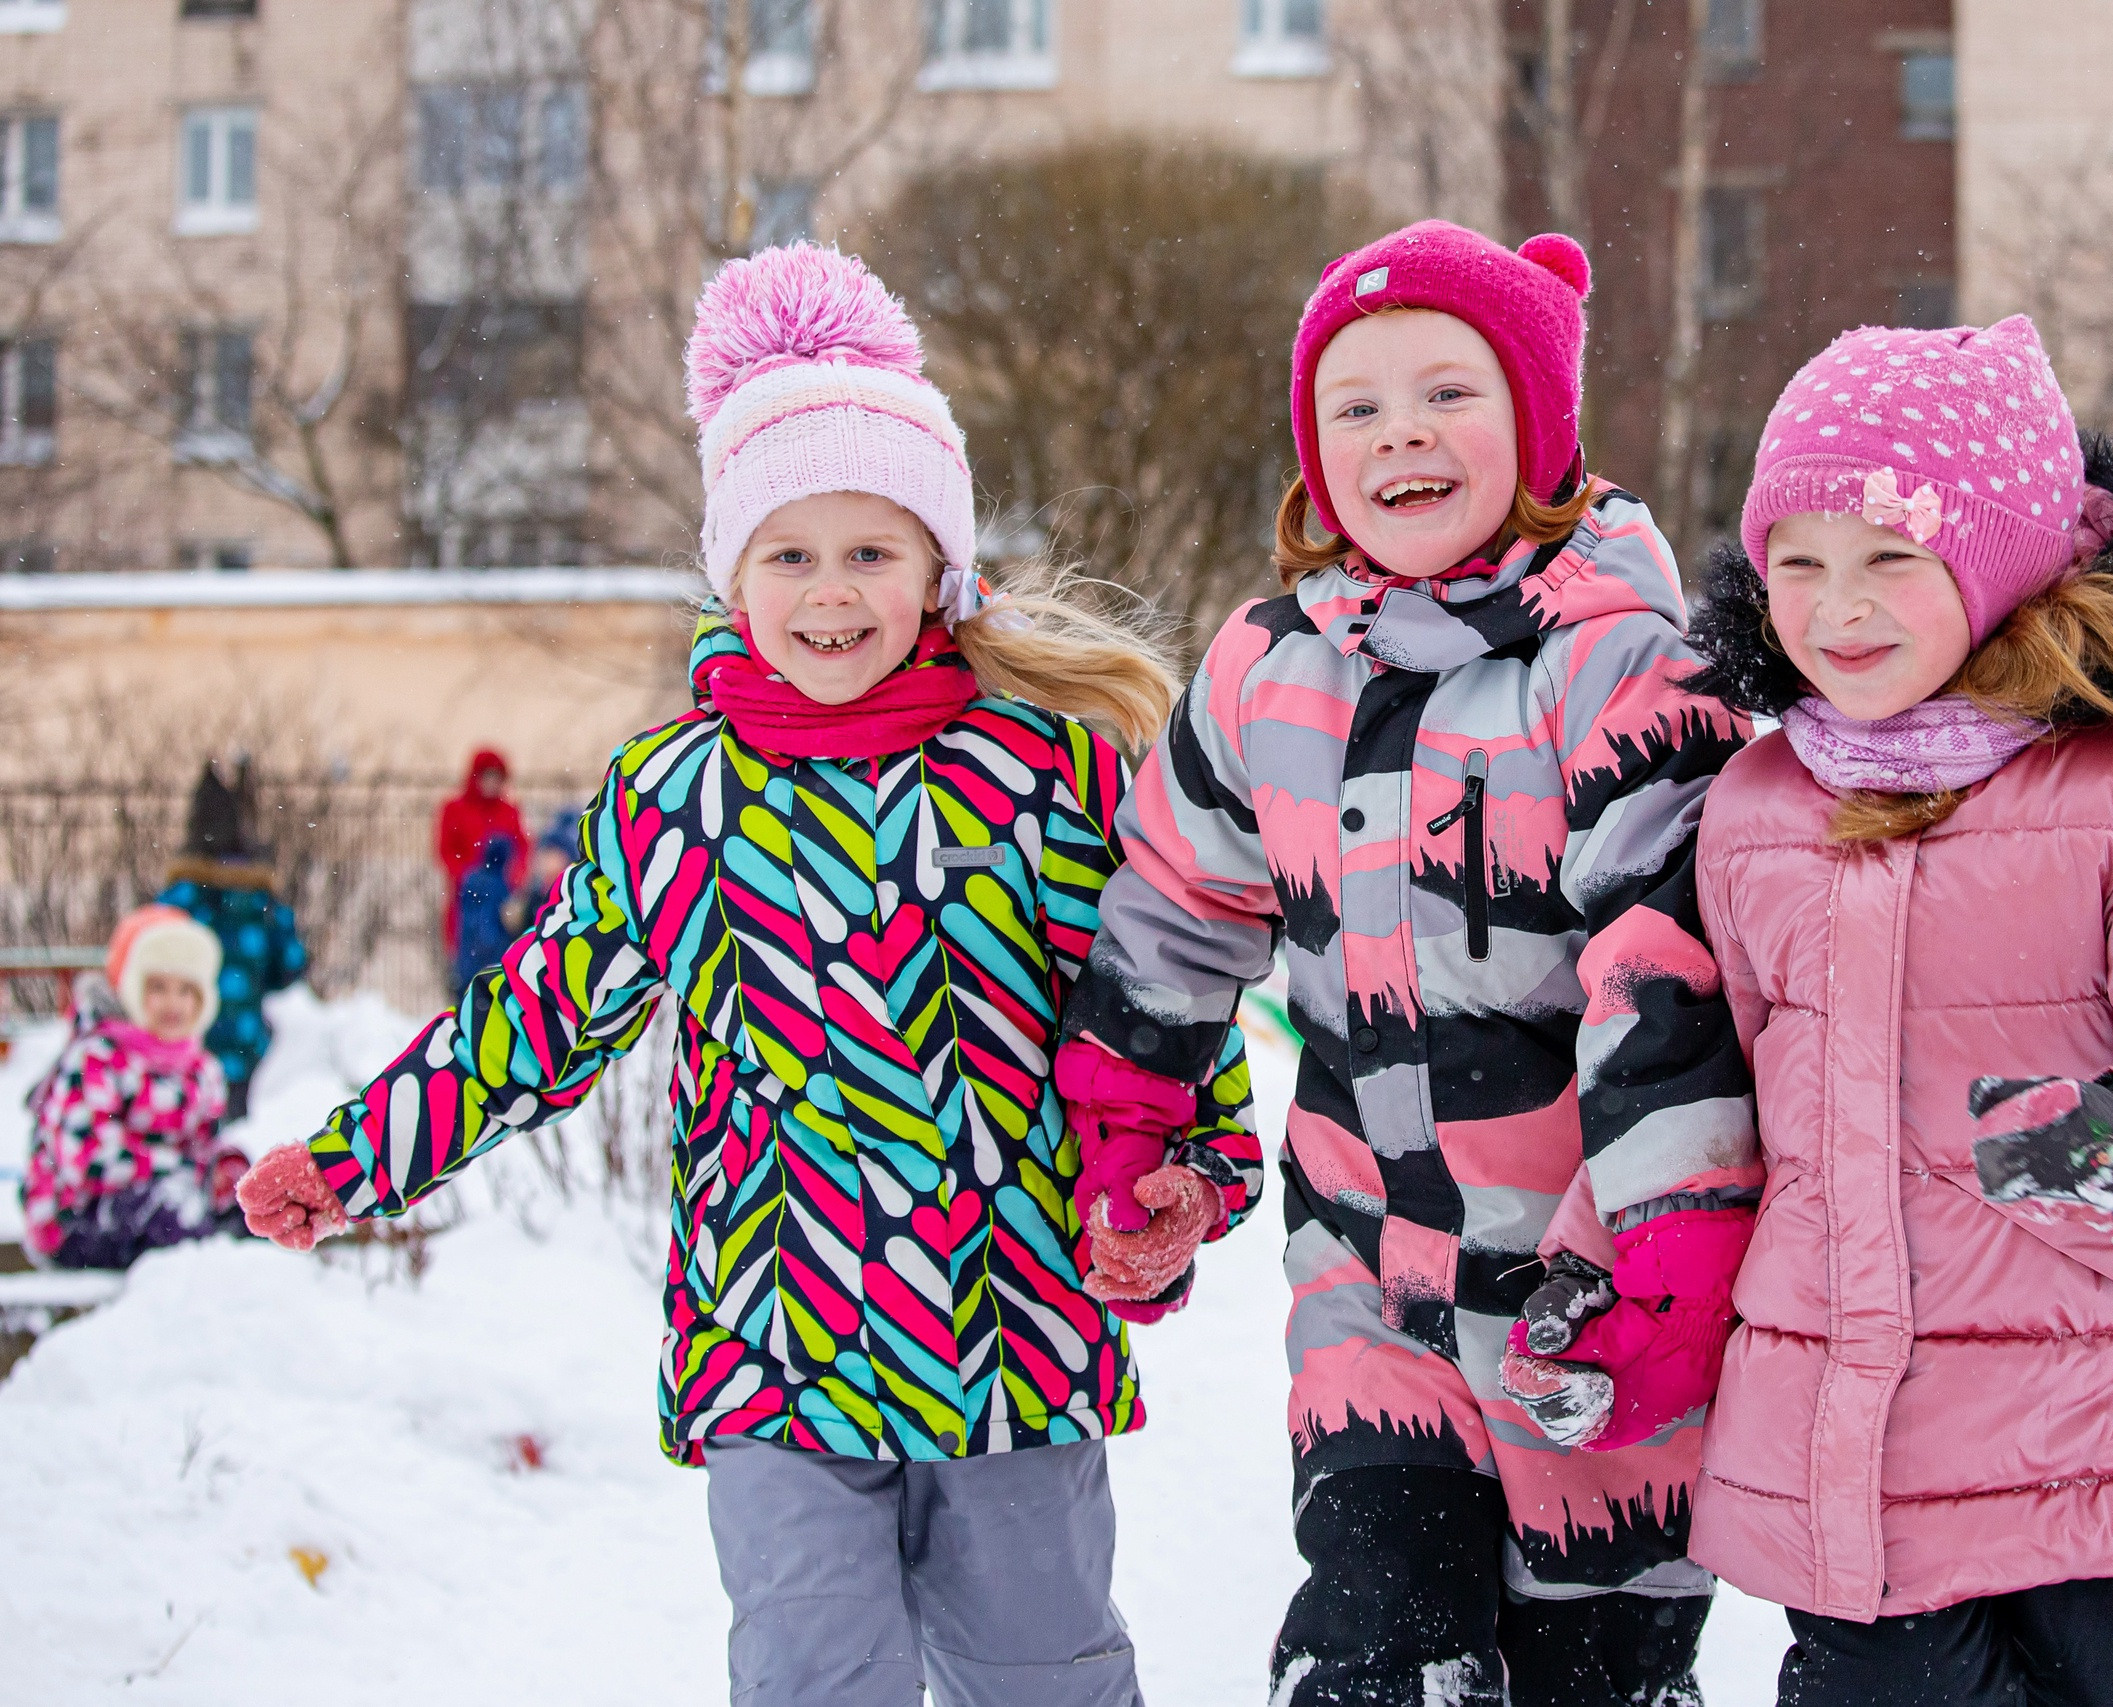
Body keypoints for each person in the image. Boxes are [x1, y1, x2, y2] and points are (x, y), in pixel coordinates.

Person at [233, 243, 1260, 1707]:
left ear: (936, 571)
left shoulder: (1041, 776)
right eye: (788, 552)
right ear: (733, 570)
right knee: (808, 1671)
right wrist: (360, 1158)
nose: (828, 593)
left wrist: (1194, 1172)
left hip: (1013, 1321)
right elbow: (536, 1014)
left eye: (869, 551)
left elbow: (1163, 994)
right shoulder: (678, 795)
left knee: (1041, 1667)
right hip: (776, 1331)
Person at [1512, 317, 2113, 1706]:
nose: (1838, 607)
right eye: (1800, 564)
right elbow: (1704, 1095)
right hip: (1858, 1457)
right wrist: (1602, 1271)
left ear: (1999, 562)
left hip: (2108, 1446)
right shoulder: (1756, 809)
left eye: (1892, 557)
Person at [1055, 220, 1757, 1705]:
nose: (1402, 435)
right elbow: (1177, 908)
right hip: (1370, 1283)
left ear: (1540, 425)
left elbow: (1676, 975)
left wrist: (1674, 1249)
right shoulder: (1267, 669)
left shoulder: (1622, 666)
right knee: (1369, 1654)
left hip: (1596, 1299)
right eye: (1355, 406)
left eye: (1450, 392)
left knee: (1596, 1674)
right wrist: (1134, 1134)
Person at [20, 906, 241, 1269]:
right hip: (79, 1217)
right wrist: (179, 1168)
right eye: (158, 988)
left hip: (164, 1199)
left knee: (237, 1209)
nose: (173, 1004)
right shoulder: (97, 1057)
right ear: (131, 990)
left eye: (186, 990)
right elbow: (88, 1159)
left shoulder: (203, 1069)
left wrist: (221, 1169)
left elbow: (204, 1143)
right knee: (170, 1217)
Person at [158, 758, 309, 1123]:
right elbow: (291, 966)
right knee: (243, 1139)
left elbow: (147, 960)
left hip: (186, 1046)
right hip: (248, 1045)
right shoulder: (259, 900)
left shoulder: (180, 899)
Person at [435, 746, 527, 960]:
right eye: (487, 776)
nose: (491, 783)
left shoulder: (509, 812)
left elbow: (522, 850)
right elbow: (446, 851)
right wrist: (471, 879)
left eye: (497, 777)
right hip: (466, 901)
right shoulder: (455, 810)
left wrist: (513, 880)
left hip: (502, 903)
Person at [450, 831, 520, 995]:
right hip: (489, 959)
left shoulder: (470, 878)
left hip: (466, 955)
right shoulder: (499, 885)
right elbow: (488, 926)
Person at [501, 807, 581, 935]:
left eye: (553, 853)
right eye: (545, 852)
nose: (546, 859)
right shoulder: (536, 892)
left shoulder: (573, 893)